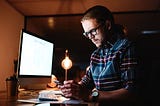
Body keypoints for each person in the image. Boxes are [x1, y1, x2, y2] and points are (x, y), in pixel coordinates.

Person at [59, 5, 140, 105]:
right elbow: (85, 84)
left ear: (107, 25)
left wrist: (89, 95)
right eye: (87, 34)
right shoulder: (95, 55)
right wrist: (73, 89)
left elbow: (131, 92)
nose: (90, 37)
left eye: (93, 31)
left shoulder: (126, 47)